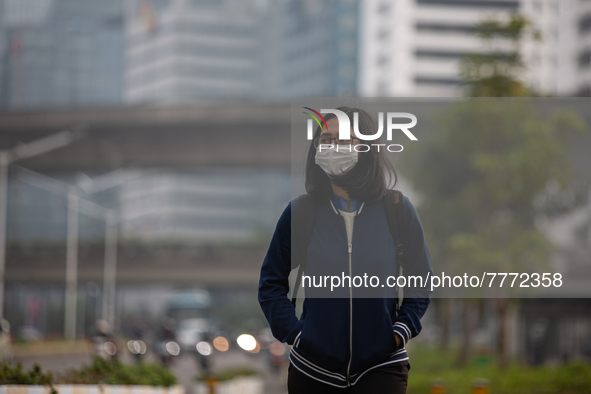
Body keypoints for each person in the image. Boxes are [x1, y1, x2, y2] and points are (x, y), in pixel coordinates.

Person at [258, 106, 433, 393]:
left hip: (381, 367)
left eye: (344, 139)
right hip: (313, 370)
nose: (333, 147)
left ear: (366, 147)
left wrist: (400, 331)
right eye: (326, 139)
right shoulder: (300, 213)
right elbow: (271, 284)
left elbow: (421, 278)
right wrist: (298, 334)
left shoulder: (397, 209)